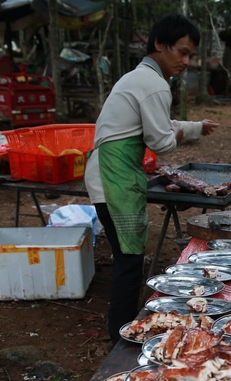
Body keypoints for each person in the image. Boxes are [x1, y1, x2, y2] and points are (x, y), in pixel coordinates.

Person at [85, 14, 218, 344]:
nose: (186, 61)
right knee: (129, 262)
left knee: (127, 258)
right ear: (160, 45)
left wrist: (195, 127)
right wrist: (180, 135)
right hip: (113, 179)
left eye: (190, 55)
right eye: (182, 52)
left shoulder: (140, 78)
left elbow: (160, 123)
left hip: (108, 174)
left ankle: (124, 328)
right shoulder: (155, 84)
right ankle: (122, 336)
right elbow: (161, 141)